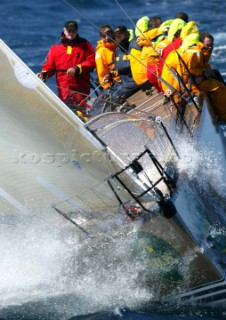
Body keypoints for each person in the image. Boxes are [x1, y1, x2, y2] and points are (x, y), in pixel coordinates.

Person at [37, 21, 95, 119]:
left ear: (77, 32)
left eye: (73, 31)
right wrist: (44, 74)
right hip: (64, 89)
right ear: (64, 30)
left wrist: (77, 68)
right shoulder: (55, 48)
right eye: (69, 31)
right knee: (67, 115)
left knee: (82, 114)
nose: (71, 33)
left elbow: (91, 61)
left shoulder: (84, 44)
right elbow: (49, 66)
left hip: (80, 88)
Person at [104, 25, 140, 105]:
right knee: (106, 94)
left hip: (133, 80)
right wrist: (110, 75)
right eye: (116, 37)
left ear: (126, 35)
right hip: (122, 82)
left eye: (120, 36)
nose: (118, 39)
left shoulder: (133, 46)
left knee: (116, 95)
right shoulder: (117, 51)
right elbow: (117, 67)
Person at [95, 24, 119, 89]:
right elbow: (101, 73)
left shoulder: (118, 45)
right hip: (115, 85)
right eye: (104, 35)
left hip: (125, 79)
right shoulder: (100, 53)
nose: (107, 37)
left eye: (109, 33)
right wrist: (108, 87)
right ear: (101, 36)